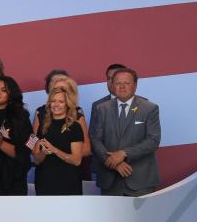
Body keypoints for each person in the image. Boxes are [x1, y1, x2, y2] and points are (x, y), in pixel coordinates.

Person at [90, 68, 161, 196]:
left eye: (127, 83)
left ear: (135, 85)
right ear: (112, 85)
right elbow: (96, 140)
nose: (122, 87)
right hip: (110, 180)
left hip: (140, 181)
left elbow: (153, 141)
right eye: (118, 83)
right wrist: (113, 162)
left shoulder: (149, 108)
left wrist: (123, 153)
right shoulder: (101, 108)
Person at [32, 85, 84, 195]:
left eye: (61, 101)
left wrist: (54, 150)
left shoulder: (75, 126)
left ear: (67, 104)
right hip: (44, 184)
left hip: (68, 184)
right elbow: (36, 160)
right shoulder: (42, 125)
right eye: (53, 101)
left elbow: (76, 160)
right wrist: (44, 152)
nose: (56, 104)